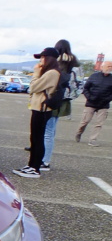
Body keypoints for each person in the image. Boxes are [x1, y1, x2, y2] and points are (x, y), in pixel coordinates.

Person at [14, 48, 61, 178]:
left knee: (38, 138)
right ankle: (31, 165)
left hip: (43, 109)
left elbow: (33, 87)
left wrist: (36, 72)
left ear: (48, 58)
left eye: (42, 57)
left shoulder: (52, 73)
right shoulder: (49, 72)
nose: (40, 61)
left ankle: (35, 168)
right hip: (38, 108)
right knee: (34, 138)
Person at [41, 39, 81, 171]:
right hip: (63, 101)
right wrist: (69, 97)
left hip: (51, 99)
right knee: (51, 130)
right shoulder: (75, 64)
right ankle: (45, 157)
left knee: (47, 130)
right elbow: (79, 85)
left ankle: (45, 160)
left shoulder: (55, 63)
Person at [75, 60, 112, 147]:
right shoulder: (94, 76)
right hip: (91, 103)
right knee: (85, 121)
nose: (109, 68)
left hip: (104, 105)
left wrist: (108, 99)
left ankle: (93, 139)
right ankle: (79, 132)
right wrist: (89, 97)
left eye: (111, 67)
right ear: (102, 67)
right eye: (108, 66)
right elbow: (85, 89)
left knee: (99, 124)